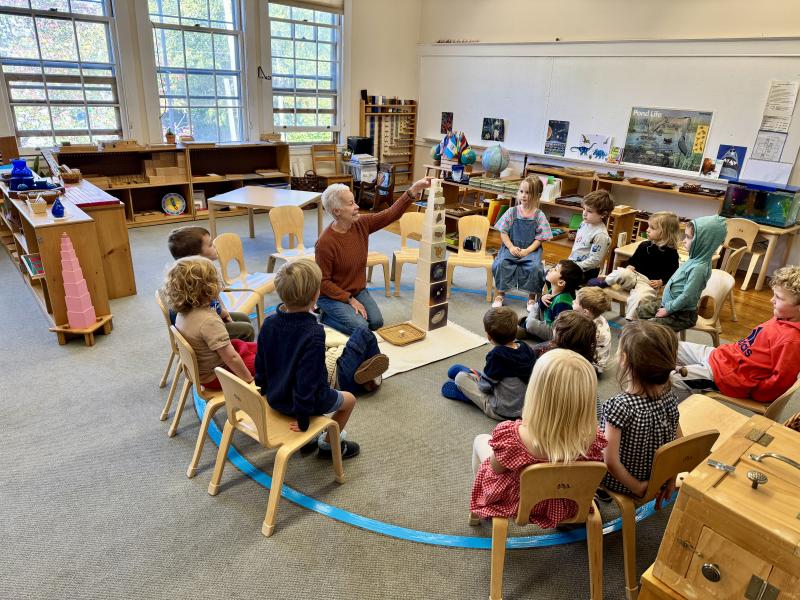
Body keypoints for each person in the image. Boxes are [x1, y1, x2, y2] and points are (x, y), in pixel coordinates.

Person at [255, 260, 390, 459]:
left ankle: (310, 440)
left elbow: (261, 363)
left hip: (276, 396)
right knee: (350, 400)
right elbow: (306, 382)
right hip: (304, 403)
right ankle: (328, 446)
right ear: (315, 296)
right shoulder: (313, 333)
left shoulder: (268, 323)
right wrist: (302, 420)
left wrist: (265, 390)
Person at [469, 349, 607, 529]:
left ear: (536, 393)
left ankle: (481, 509)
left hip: (521, 504)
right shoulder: (594, 439)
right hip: (569, 503)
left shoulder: (513, 436)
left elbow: (495, 469)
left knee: (481, 440)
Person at [315, 177, 432, 334]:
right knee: (362, 328)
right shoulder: (325, 243)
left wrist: (414, 189)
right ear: (337, 211)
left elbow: (390, 214)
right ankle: (324, 315)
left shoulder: (361, 223)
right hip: (331, 296)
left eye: (354, 202)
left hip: (357, 290)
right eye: (350, 204)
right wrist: (349, 299)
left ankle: (346, 315)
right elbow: (323, 282)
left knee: (376, 322)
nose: (357, 206)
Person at [671, 265, 800, 402]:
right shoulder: (783, 317)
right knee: (668, 346)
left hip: (727, 377)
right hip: (722, 357)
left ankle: (678, 414)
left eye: (779, 298)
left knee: (672, 380)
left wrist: (753, 392)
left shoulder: (792, 341)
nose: (771, 300)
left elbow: (780, 381)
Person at [600, 321, 681, 501]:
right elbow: (679, 444)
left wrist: (637, 487)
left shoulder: (619, 406)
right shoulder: (669, 397)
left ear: (624, 359)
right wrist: (670, 476)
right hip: (656, 477)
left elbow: (610, 461)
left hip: (622, 482)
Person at [163, 257, 257, 390]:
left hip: (204, 370)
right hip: (215, 376)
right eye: (215, 281)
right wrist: (250, 382)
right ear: (208, 288)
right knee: (267, 361)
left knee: (258, 348)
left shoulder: (182, 312)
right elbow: (231, 359)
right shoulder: (209, 321)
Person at [441, 307, 536, 420]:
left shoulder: (497, 356)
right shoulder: (526, 348)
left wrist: (480, 379)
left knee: (459, 377)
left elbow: (484, 387)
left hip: (501, 410)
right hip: (525, 408)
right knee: (458, 370)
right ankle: (475, 376)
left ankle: (469, 395)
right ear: (515, 331)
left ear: (489, 336)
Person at [636, 215, 727, 332]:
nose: (684, 240)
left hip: (682, 315)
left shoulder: (699, 268)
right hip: (670, 305)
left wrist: (668, 309)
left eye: (688, 237)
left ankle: (648, 344)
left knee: (649, 328)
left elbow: (688, 296)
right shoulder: (694, 258)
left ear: (703, 242)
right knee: (641, 310)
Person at [167, 225, 255, 342]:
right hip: (198, 331)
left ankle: (237, 349)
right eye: (210, 245)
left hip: (207, 317)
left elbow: (214, 299)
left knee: (242, 318)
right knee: (247, 330)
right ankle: (234, 356)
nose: (215, 246)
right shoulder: (194, 281)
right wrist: (220, 314)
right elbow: (204, 314)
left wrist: (223, 311)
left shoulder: (189, 272)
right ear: (197, 257)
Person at [588, 211, 680, 320]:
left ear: (665, 233)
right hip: (632, 276)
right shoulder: (644, 245)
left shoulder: (672, 254)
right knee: (622, 272)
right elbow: (633, 261)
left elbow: (672, 273)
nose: (647, 229)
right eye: (648, 226)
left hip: (647, 283)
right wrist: (630, 266)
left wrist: (661, 281)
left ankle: (631, 319)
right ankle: (606, 281)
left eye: (652, 228)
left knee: (640, 298)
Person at [491, 175, 553, 310]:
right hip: (510, 247)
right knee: (501, 264)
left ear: (537, 195)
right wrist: (511, 247)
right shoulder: (512, 212)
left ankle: (531, 298)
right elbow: (503, 232)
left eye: (528, 192)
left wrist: (527, 251)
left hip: (531, 250)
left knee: (535, 268)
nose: (523, 195)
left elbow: (540, 238)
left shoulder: (539, 215)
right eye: (521, 192)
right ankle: (500, 294)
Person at [520, 259, 583, 341]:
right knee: (537, 305)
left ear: (561, 282)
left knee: (531, 323)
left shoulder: (562, 303)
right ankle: (527, 325)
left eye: (555, 270)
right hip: (547, 318)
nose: (550, 269)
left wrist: (538, 324)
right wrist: (541, 300)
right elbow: (543, 308)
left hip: (554, 331)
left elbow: (558, 329)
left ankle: (527, 329)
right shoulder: (554, 288)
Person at [568, 189, 615, 282]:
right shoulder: (584, 223)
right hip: (573, 264)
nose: (584, 213)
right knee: (549, 274)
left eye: (589, 211)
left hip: (587, 271)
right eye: (584, 209)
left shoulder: (600, 235)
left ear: (603, 214)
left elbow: (594, 261)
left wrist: (572, 267)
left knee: (557, 278)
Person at [530, 310, 598, 365]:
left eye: (556, 328)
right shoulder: (584, 354)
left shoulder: (551, 356)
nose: (553, 327)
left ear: (564, 337)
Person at [572, 287, 612, 374]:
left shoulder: (588, 328)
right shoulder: (597, 317)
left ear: (585, 312)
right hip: (592, 357)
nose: (572, 301)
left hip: (592, 367)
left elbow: (577, 348)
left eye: (575, 301)